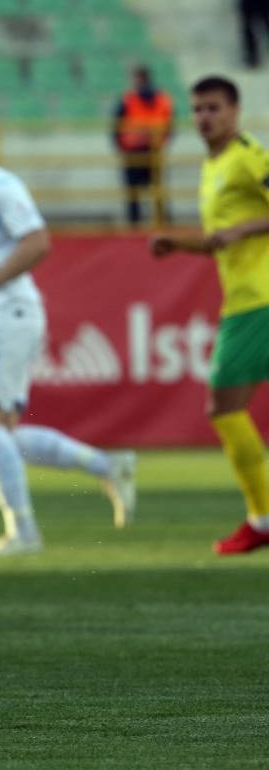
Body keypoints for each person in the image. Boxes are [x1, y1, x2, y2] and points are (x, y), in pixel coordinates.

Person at [0, 96, 136, 558]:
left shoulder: (0, 185)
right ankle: (109, 465)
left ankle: (22, 532)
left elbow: (38, 242)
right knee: (1, 427)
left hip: (11, 311)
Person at [150, 76, 269, 554]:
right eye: (197, 109)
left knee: (224, 407)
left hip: (259, 301)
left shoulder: (249, 156)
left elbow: (240, 230)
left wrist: (245, 227)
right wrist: (176, 244)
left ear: (235, 110)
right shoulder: (212, 166)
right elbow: (221, 240)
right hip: (243, 300)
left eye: (213, 108)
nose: (204, 118)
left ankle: (262, 520)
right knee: (225, 409)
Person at [111, 65, 173, 226]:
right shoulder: (130, 99)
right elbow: (116, 127)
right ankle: (137, 223)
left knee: (156, 191)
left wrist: (160, 142)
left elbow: (170, 124)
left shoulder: (158, 99)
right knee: (135, 193)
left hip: (150, 150)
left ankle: (158, 222)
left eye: (137, 78)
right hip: (135, 151)